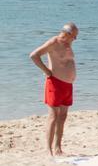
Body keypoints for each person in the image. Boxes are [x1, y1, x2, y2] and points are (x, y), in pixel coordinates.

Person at [29, 23, 78, 156]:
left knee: (63, 116)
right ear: (67, 34)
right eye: (74, 36)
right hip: (55, 83)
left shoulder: (68, 44)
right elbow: (34, 55)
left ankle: (58, 148)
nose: (75, 39)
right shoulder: (53, 42)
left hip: (67, 85)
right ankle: (48, 150)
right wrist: (47, 71)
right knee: (53, 116)